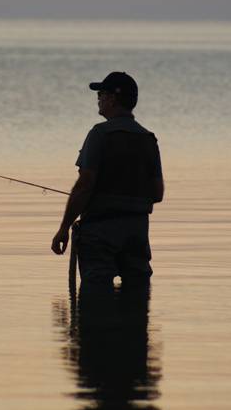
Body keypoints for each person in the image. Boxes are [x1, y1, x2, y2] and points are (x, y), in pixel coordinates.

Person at [51, 72, 164, 288]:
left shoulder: (100, 134)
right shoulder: (148, 139)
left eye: (101, 94)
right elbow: (157, 194)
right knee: (137, 299)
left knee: (96, 297)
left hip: (99, 232)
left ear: (112, 99)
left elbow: (84, 186)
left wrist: (63, 228)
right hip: (137, 231)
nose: (98, 98)